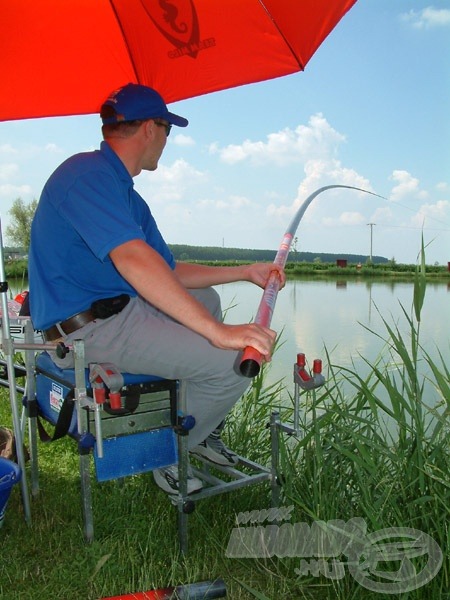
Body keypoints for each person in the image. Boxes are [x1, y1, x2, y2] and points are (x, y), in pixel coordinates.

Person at [28, 83, 284, 495]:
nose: (166, 142)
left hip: (116, 312)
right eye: (168, 131)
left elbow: (166, 269)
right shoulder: (85, 174)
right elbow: (132, 259)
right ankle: (169, 456)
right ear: (150, 128)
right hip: (86, 330)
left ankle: (195, 424)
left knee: (208, 299)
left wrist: (243, 271)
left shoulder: (125, 195)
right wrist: (217, 333)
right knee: (232, 364)